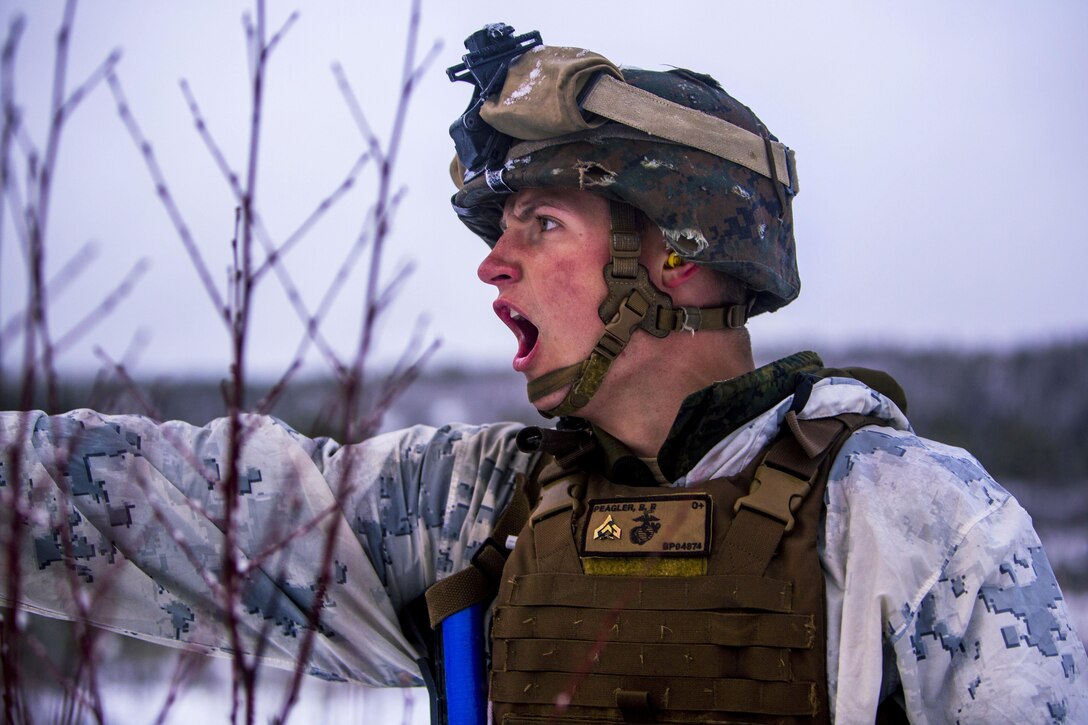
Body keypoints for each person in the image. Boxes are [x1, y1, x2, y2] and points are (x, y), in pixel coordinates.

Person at [2, 24, 1085, 724]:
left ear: (677, 253)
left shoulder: (914, 518)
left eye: (541, 221)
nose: (493, 258)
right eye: (498, 224)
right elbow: (168, 509)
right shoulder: (476, 511)